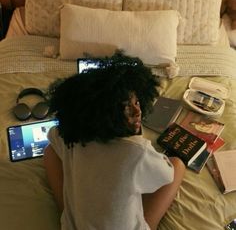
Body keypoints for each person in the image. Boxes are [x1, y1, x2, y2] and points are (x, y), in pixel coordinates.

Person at [43, 53, 186, 230]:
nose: (137, 111)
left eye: (137, 102)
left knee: (50, 151)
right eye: (126, 107)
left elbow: (53, 134)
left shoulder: (74, 134)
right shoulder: (137, 151)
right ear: (106, 112)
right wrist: (137, 139)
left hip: (76, 225)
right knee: (177, 165)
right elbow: (166, 176)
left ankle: (69, 213)